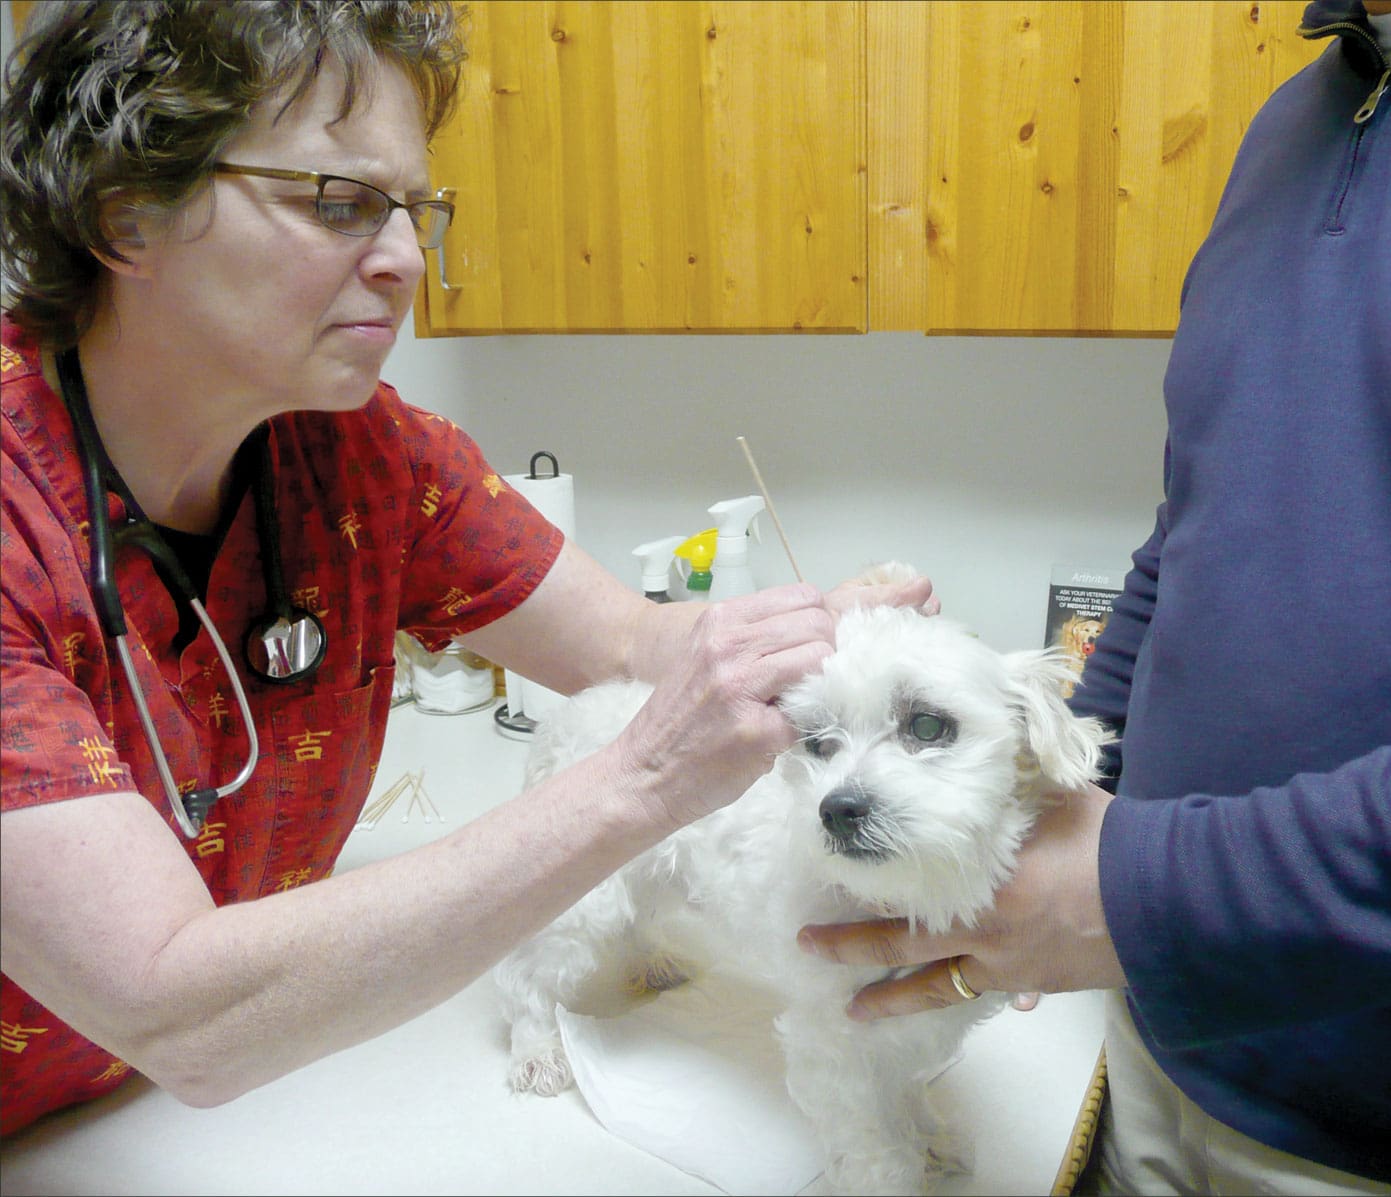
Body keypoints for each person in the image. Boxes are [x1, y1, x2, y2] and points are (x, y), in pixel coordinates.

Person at [0, 1, 934, 1137]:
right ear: (126, 216)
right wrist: (645, 778)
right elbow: (177, 1004)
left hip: (173, 1108)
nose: (402, 261)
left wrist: (818, 647)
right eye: (340, 204)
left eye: (411, 210)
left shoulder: (363, 457)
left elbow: (637, 649)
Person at [797, 2, 1391, 1194]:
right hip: (1155, 1053)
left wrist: (1149, 898)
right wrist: (1064, 774)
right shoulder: (1294, 119)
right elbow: (1198, 525)